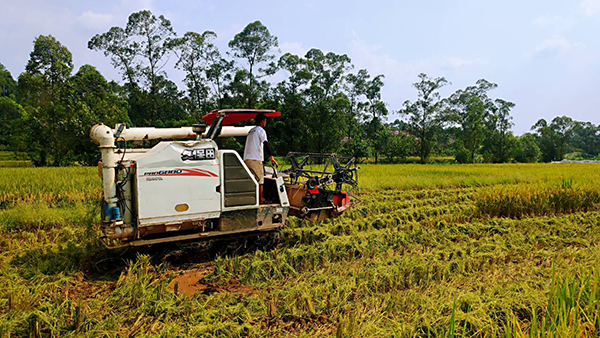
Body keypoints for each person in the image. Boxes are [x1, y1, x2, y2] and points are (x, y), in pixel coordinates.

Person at [243, 113, 278, 203]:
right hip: (255, 159)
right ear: (262, 121)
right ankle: (261, 199)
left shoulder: (251, 131)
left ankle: (252, 198)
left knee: (252, 180)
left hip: (246, 159)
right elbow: (265, 144)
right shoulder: (261, 130)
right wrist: (271, 157)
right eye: (265, 121)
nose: (265, 123)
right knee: (260, 180)